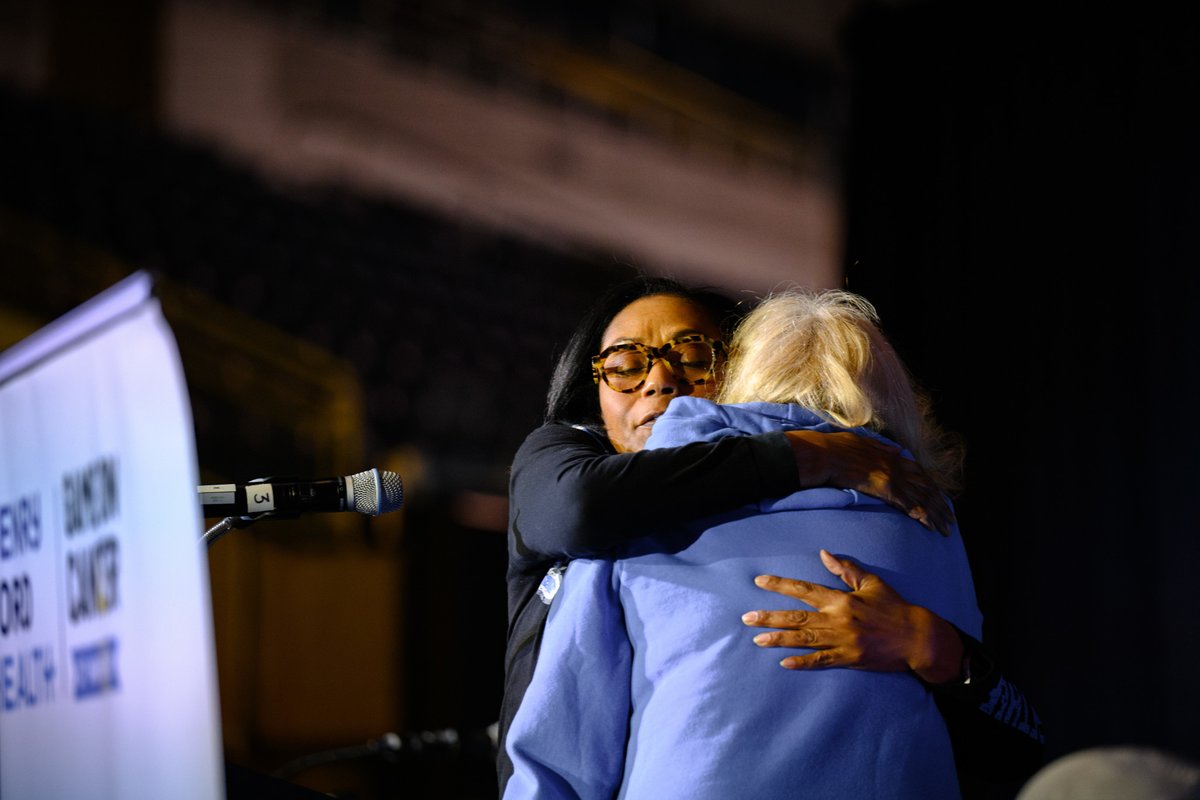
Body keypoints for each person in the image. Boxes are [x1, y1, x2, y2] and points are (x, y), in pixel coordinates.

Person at [498, 277, 1043, 796]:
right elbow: (578, 507)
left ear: (742, 371)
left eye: (693, 357)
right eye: (623, 365)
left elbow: (1010, 742)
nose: (660, 381)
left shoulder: (911, 503)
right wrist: (811, 453)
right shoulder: (588, 490)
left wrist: (930, 645)